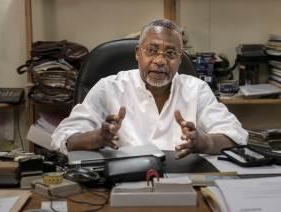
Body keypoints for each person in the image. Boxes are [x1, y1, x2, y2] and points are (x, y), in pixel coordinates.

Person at [51, 19, 248, 158]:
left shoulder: (197, 90)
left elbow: (235, 135)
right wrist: (97, 137)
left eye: (171, 53)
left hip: (184, 181)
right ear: (138, 53)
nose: (160, 61)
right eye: (152, 51)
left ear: (181, 58)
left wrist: (204, 142)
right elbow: (63, 137)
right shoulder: (109, 87)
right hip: (120, 182)